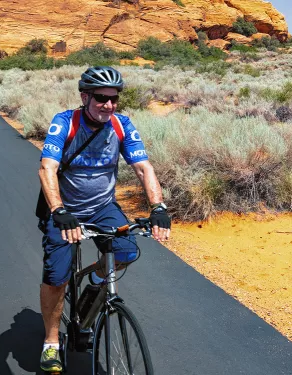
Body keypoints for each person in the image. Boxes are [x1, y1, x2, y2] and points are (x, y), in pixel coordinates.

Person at [37, 66, 171, 372]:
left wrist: (158, 207)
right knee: (57, 278)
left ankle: (97, 280)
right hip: (65, 209)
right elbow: (47, 168)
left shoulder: (121, 125)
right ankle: (51, 342)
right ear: (85, 97)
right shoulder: (65, 122)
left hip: (102, 207)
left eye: (114, 99)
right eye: (100, 98)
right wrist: (59, 210)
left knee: (126, 251)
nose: (108, 105)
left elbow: (143, 168)